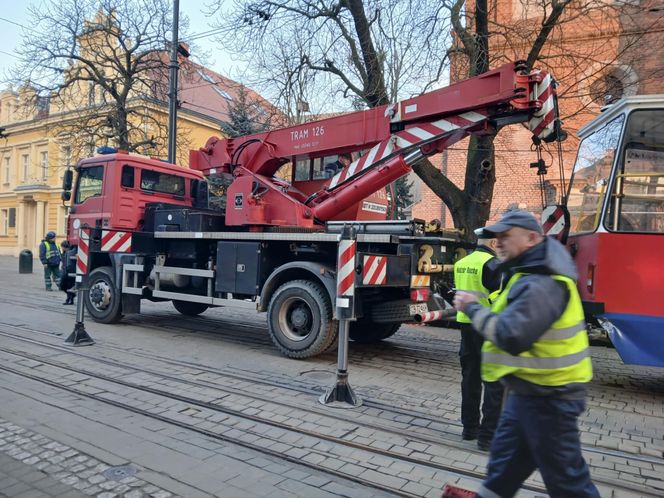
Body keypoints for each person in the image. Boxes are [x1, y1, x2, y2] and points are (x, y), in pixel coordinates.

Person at [453, 210, 599, 498]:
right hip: (525, 395)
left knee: (569, 485)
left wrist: (472, 307)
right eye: (496, 238)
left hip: (550, 401)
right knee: (501, 476)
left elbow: (512, 335)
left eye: (506, 236)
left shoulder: (543, 282)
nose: (499, 243)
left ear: (532, 238)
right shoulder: (526, 274)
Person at [453, 233, 503, 451]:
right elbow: (498, 298)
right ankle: (487, 435)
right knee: (493, 381)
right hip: (487, 326)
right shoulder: (493, 265)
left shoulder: (461, 263)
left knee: (470, 378)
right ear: (493, 243)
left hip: (466, 325)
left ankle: (469, 429)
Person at [59, 240, 76, 305]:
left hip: (68, 272)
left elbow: (68, 264)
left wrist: (66, 271)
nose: (62, 248)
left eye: (62, 247)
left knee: (66, 286)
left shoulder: (69, 253)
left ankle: (70, 299)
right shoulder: (65, 253)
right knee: (65, 286)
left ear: (65, 247)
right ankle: (70, 298)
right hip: (66, 271)